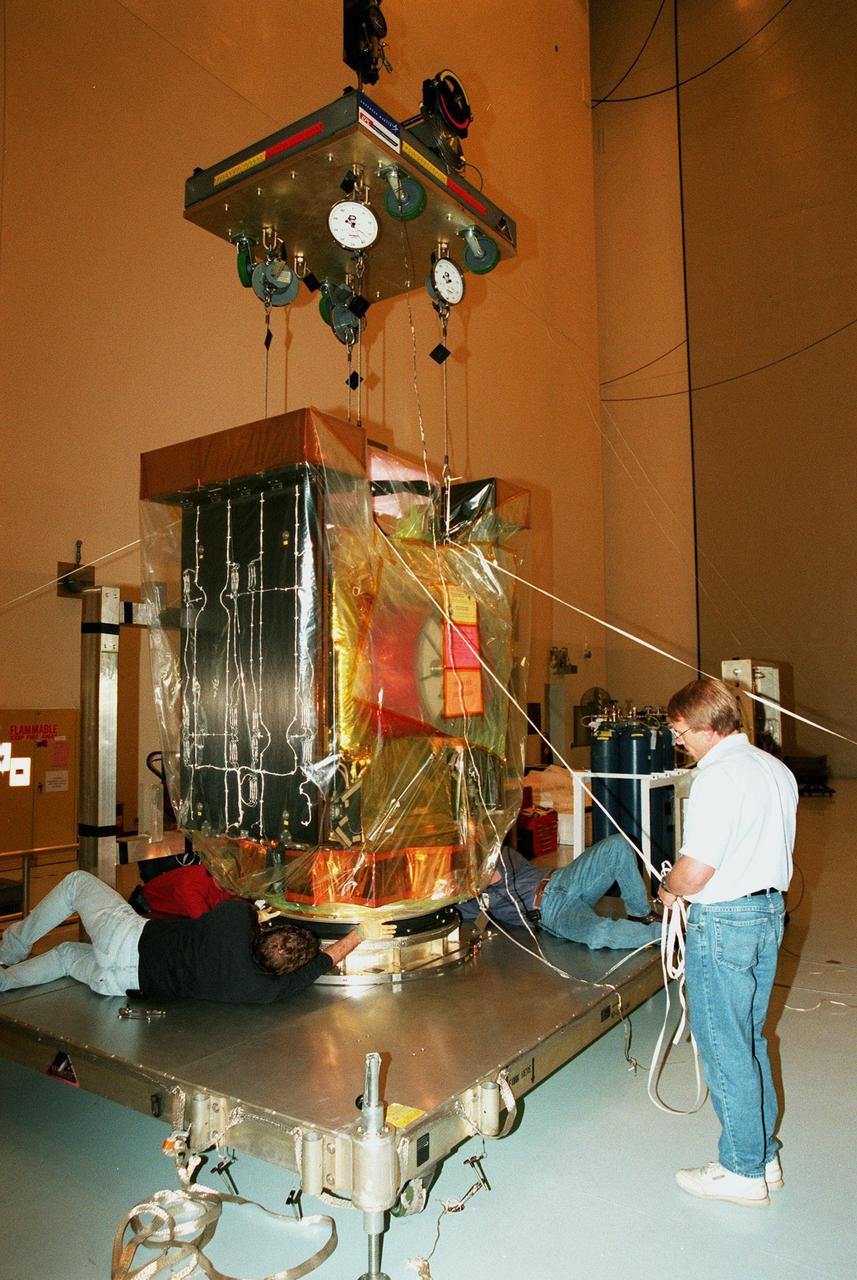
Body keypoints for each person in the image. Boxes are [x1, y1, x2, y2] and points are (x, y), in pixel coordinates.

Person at [658, 677, 797, 1209]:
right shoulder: (774, 769)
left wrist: (669, 890)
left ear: (708, 727)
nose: (681, 744)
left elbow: (696, 871)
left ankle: (741, 1172)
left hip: (725, 921)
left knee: (723, 1045)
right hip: (767, 914)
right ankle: (762, 1156)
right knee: (751, 1040)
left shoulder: (717, 777)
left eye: (682, 733)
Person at [0, 870, 390, 1004]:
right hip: (119, 983)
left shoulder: (235, 920)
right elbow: (319, 967)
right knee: (68, 955)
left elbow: (241, 908)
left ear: (269, 930)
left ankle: (12, 945)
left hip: (127, 938)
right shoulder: (263, 992)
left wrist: (261, 913)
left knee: (75, 883)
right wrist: (358, 936)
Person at [458, 833, 662, 950]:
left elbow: (493, 876)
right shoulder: (464, 900)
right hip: (549, 910)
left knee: (617, 844)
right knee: (597, 934)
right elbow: (447, 915)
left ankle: (640, 914)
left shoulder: (501, 854)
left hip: (563, 878)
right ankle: (668, 935)